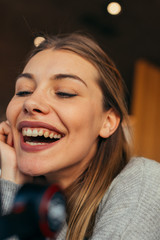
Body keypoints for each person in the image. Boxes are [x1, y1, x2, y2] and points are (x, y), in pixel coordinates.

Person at [0, 33, 160, 240]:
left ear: (108, 122)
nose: (30, 103)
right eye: (23, 91)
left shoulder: (146, 181)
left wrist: (20, 197)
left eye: (65, 92)